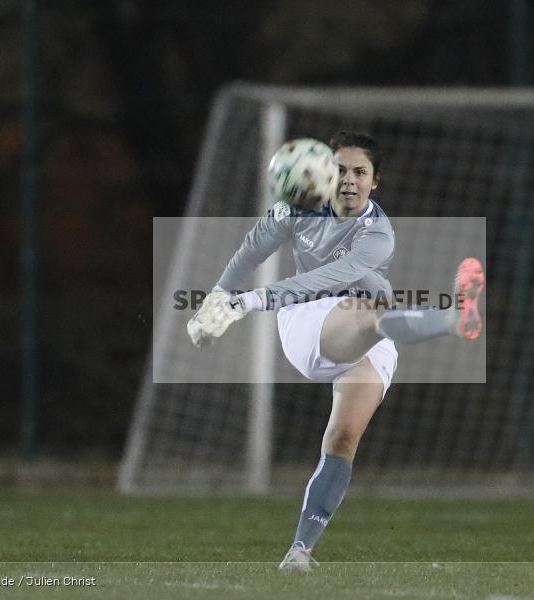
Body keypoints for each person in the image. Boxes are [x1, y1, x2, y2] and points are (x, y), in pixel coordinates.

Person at [187, 131, 485, 571]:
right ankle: (452, 319)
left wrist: (250, 301)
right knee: (370, 313)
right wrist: (215, 302)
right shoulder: (297, 208)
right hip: (307, 323)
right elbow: (250, 252)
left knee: (343, 439)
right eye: (340, 169)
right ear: (324, 171)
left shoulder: (378, 233)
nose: (348, 180)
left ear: (375, 182)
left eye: (359, 172)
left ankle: (300, 551)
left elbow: (333, 276)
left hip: (367, 329)